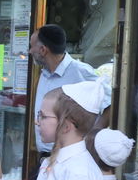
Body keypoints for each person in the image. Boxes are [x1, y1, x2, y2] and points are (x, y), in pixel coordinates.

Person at [30, 24, 100, 155]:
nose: (30, 51)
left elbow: (109, 104)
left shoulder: (80, 72)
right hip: (45, 156)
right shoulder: (44, 73)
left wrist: (92, 136)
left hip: (69, 156)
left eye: (32, 46)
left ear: (43, 50)